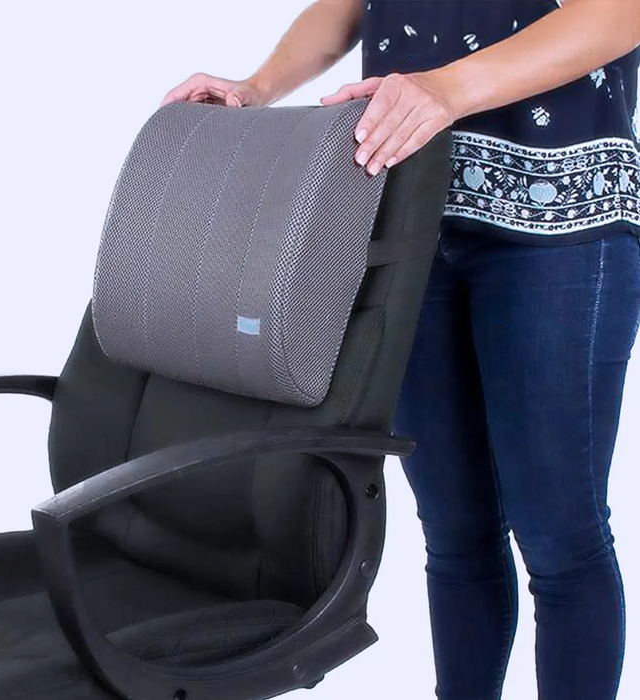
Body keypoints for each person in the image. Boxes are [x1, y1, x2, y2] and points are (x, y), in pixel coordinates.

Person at [161, 1, 640, 697]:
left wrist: (446, 88)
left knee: (561, 539)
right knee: (454, 533)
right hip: (410, 212)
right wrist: (257, 87)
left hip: (563, 219)